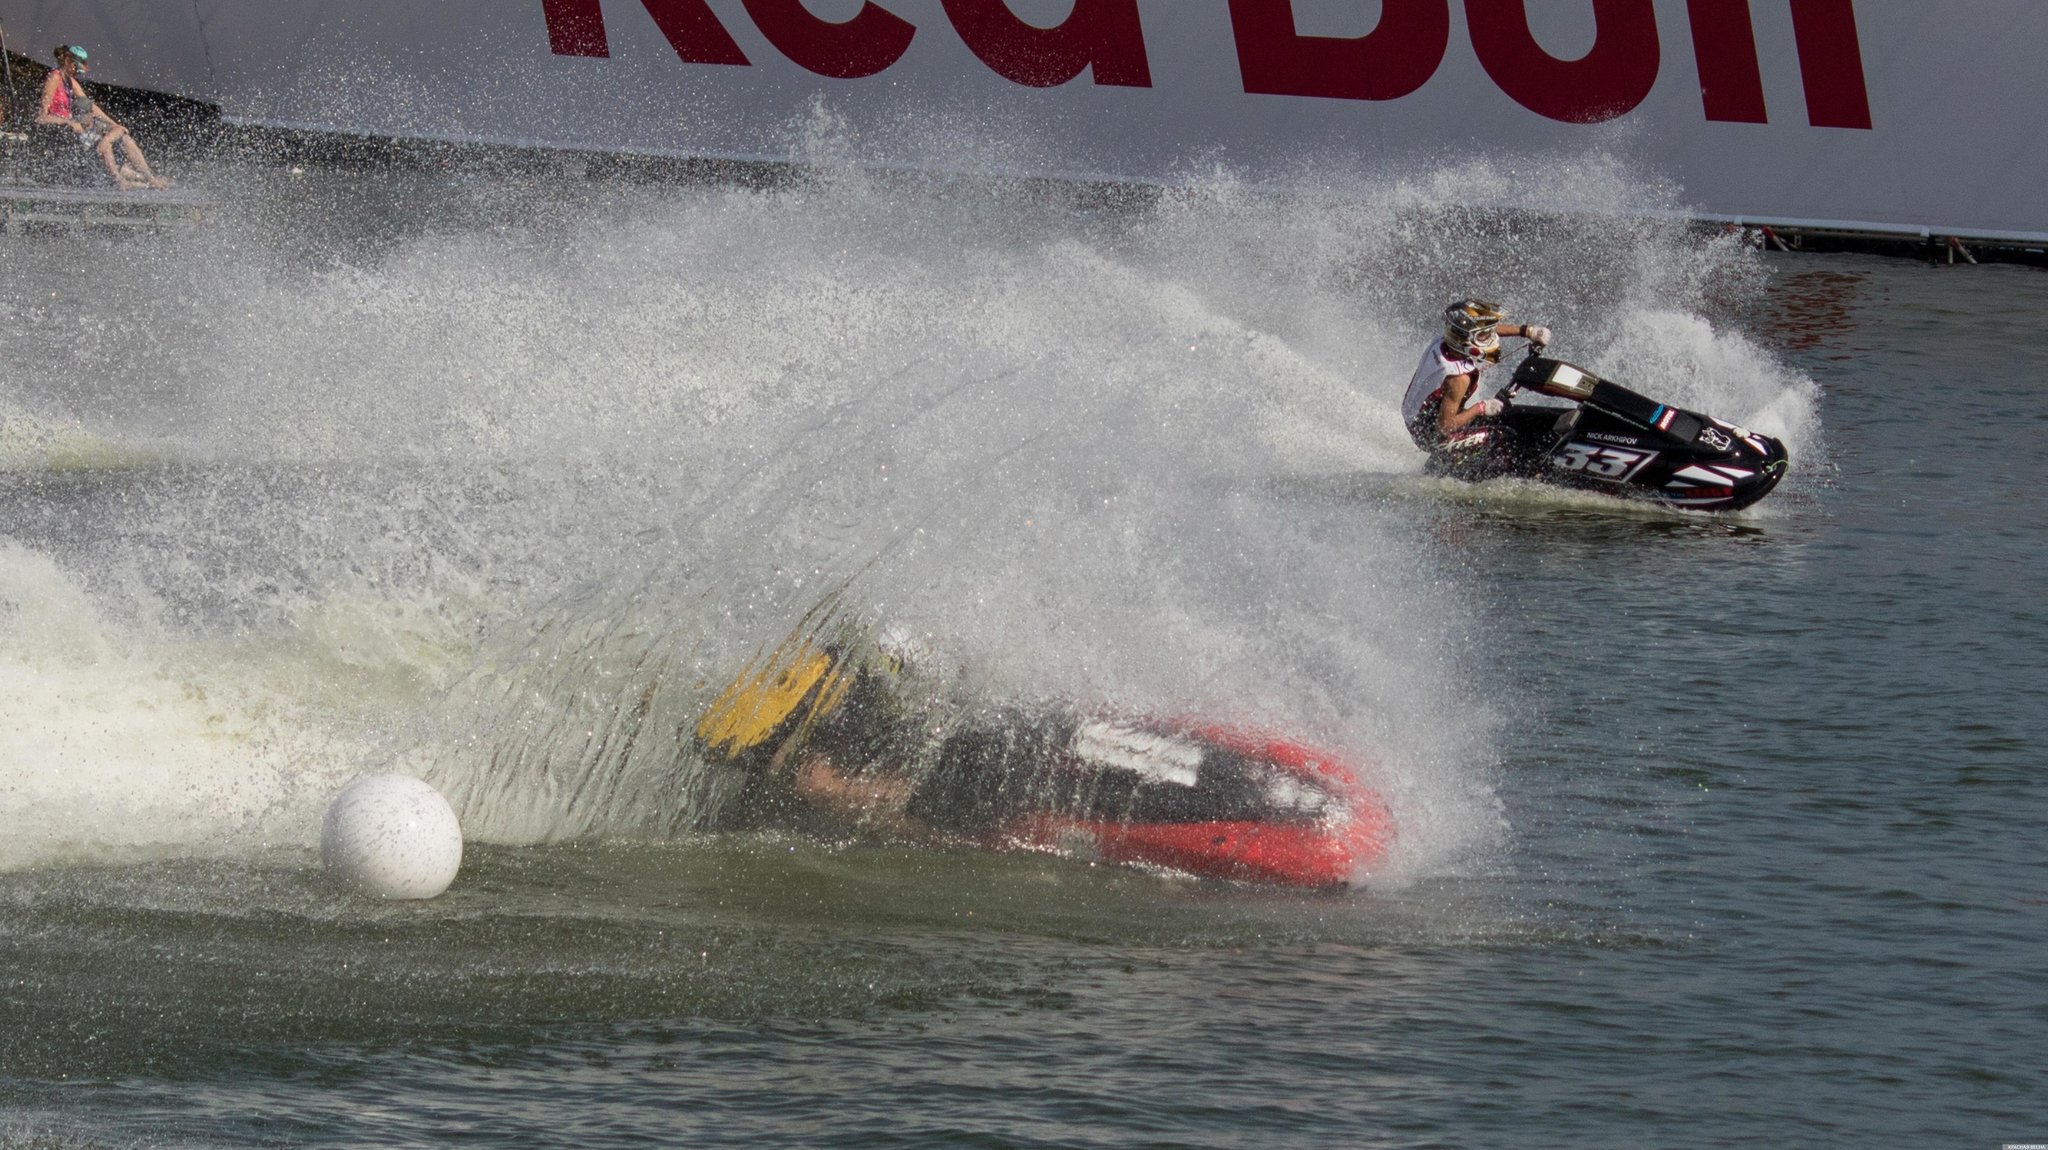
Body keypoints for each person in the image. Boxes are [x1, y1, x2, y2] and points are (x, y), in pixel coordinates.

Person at [1401, 298, 1551, 457]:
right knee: (1504, 436)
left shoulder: (1444, 340)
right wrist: (1480, 408)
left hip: (1419, 418)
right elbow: (1445, 428)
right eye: (1485, 336)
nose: (1491, 338)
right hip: (1431, 437)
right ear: (1466, 341)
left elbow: (1482, 330)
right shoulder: (1459, 379)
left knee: (1502, 418)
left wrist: (1527, 331)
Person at [36, 44, 169, 190]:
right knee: (104, 139)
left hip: (77, 130)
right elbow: (41, 117)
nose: (77, 73)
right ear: (68, 61)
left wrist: (113, 123)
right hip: (62, 133)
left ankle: (150, 177)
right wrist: (68, 122)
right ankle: (120, 181)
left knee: (124, 137)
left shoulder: (70, 82)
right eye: (76, 69)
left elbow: (90, 107)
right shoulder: (54, 77)